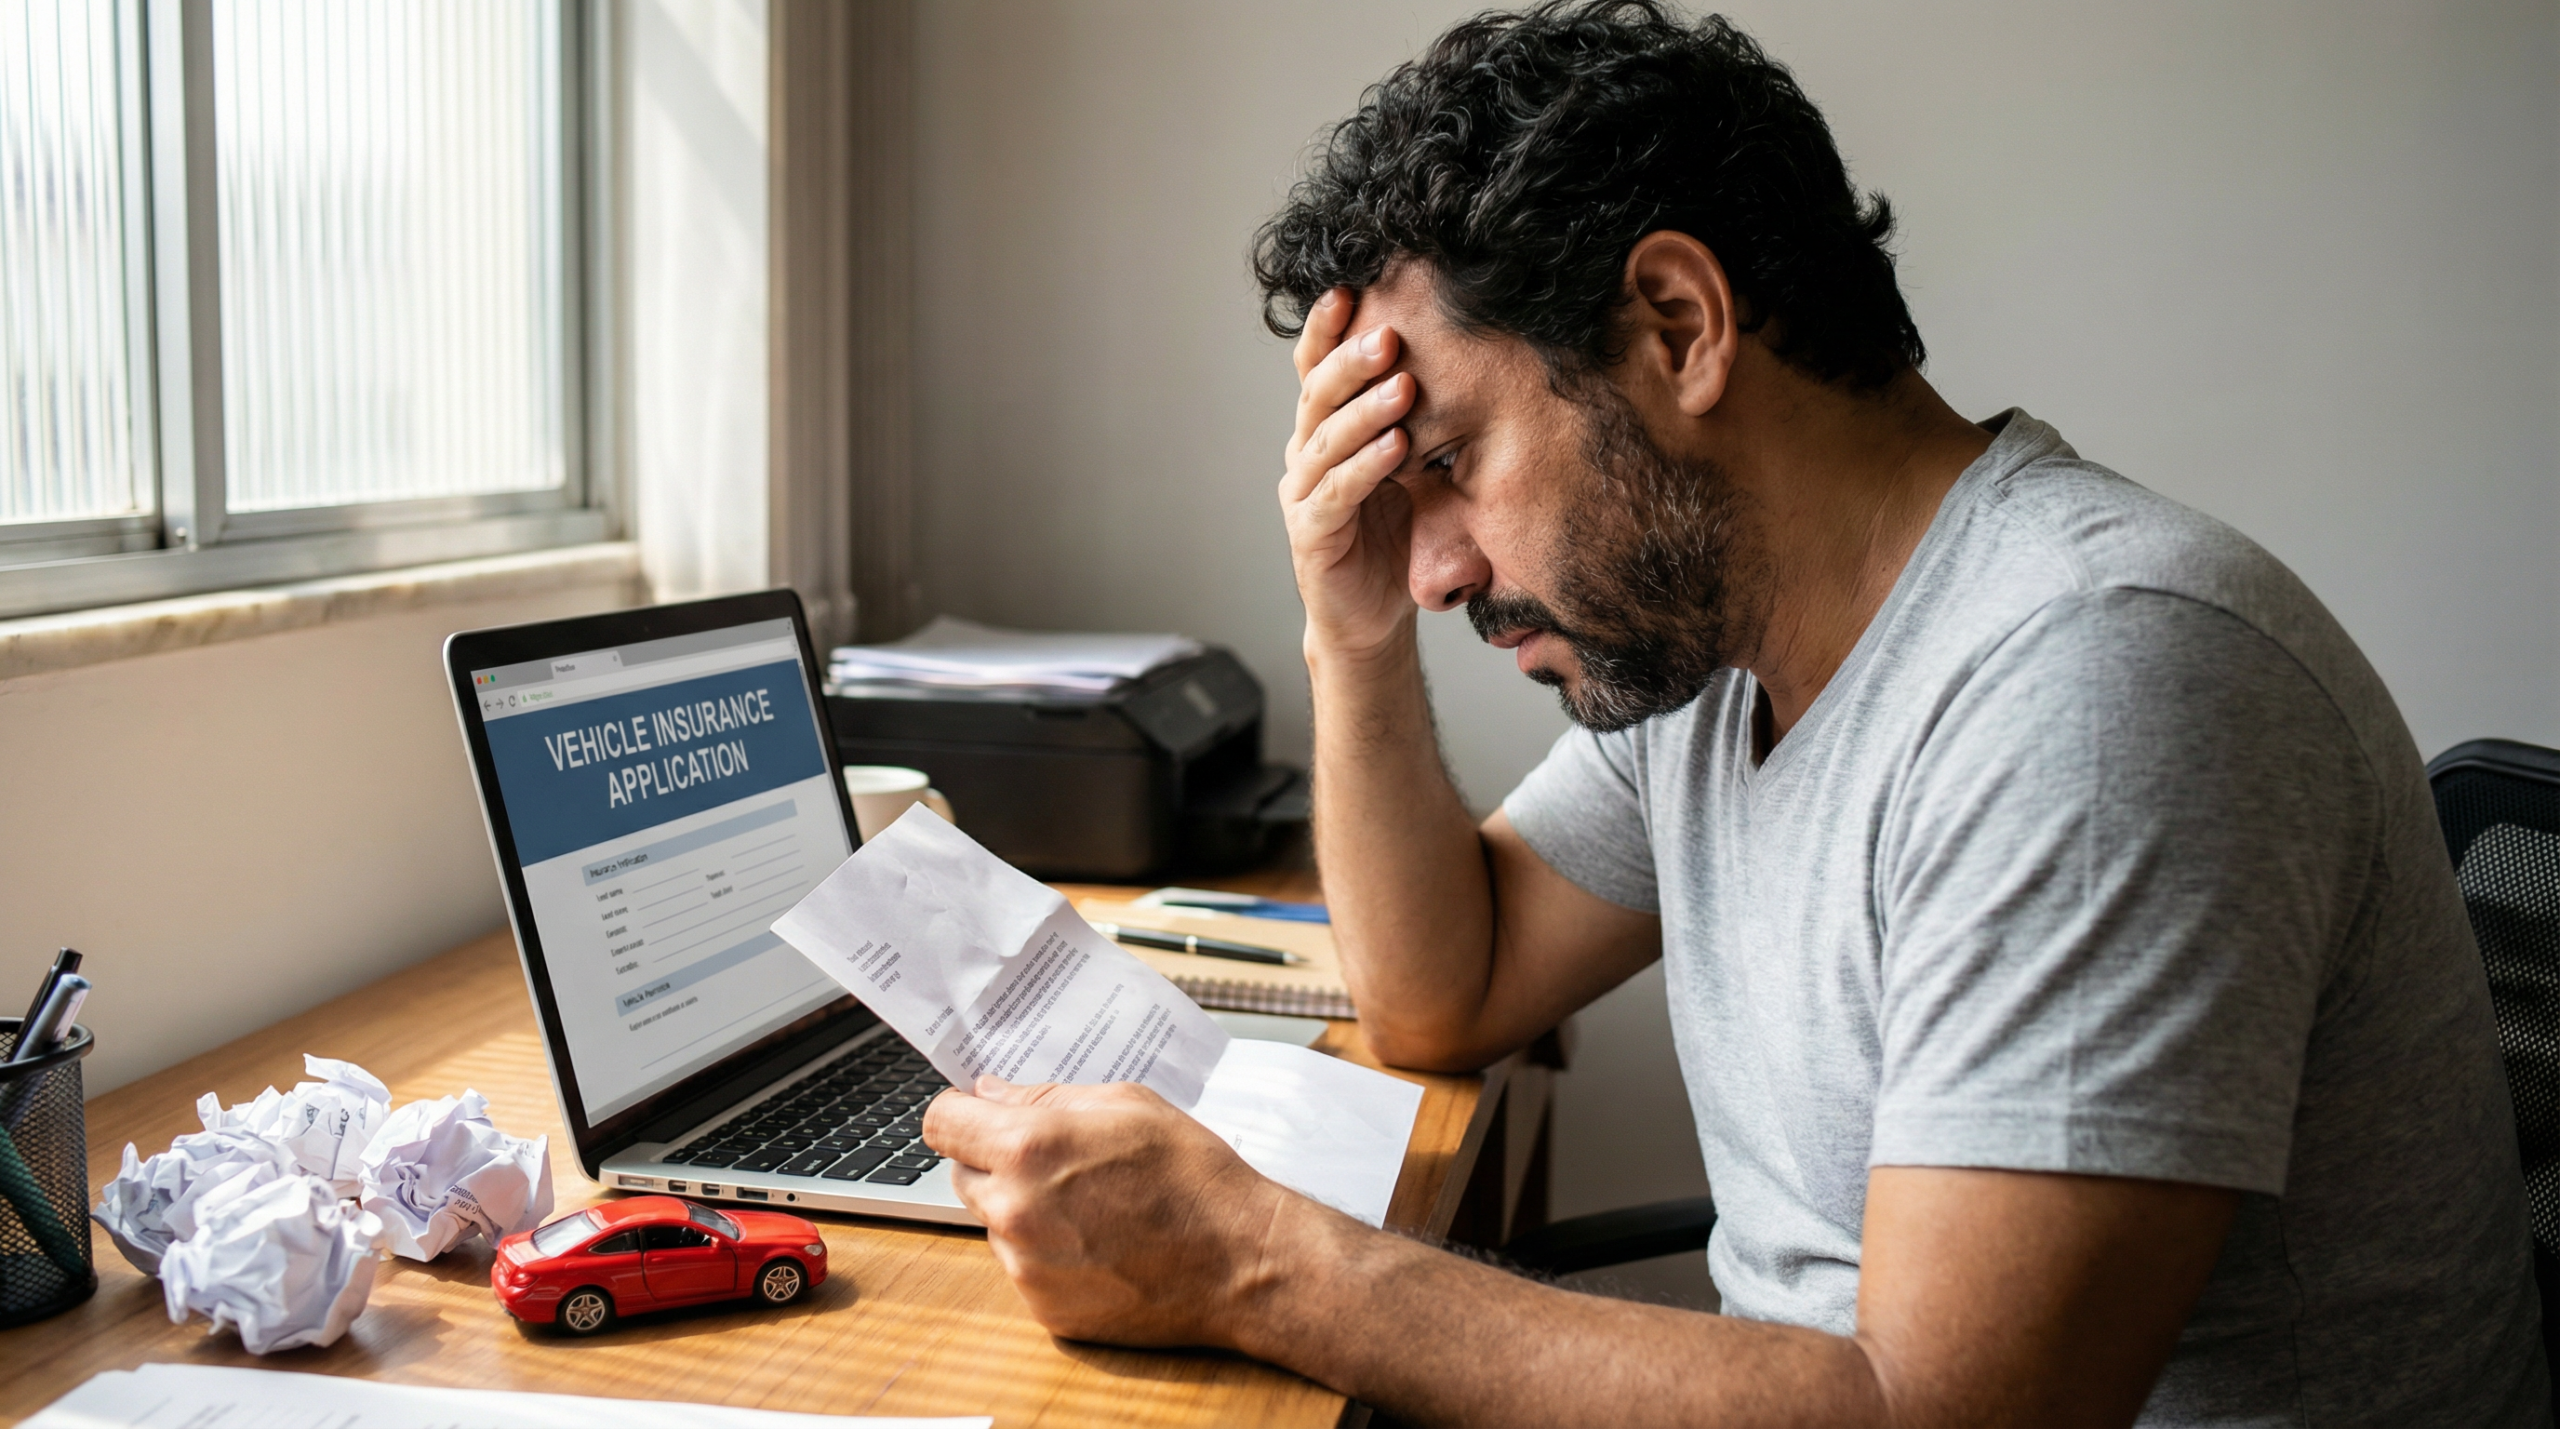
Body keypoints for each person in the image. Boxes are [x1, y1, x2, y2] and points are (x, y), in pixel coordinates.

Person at [921, 3, 2550, 1424]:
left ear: (1679, 328)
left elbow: (1950, 1415)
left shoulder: (2099, 677)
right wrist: (1347, 636)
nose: (1434, 570)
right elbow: (1446, 993)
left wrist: (1261, 1261)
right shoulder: (1719, 658)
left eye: (1448, 468)